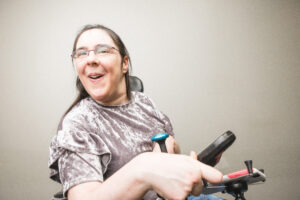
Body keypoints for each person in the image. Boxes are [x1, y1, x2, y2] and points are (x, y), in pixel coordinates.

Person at [48, 24, 223, 200]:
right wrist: (144, 167)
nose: (90, 59)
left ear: (125, 64)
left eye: (103, 51)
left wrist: (184, 160)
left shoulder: (144, 103)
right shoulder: (77, 124)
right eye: (82, 53)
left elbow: (168, 164)